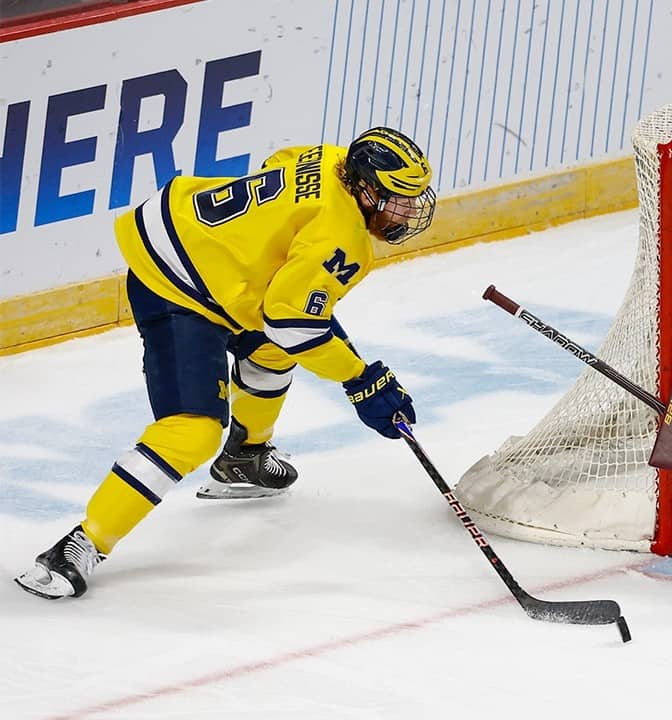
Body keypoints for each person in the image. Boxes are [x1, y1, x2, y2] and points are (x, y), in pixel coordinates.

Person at [14, 126, 436, 599]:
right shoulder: (344, 243)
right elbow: (292, 324)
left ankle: (245, 457)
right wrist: (361, 380)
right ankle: (78, 546)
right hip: (175, 286)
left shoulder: (330, 157)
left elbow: (278, 162)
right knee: (192, 431)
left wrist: (265, 268)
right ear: (365, 189)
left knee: (271, 351)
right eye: (400, 198)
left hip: (189, 236)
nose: (412, 210)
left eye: (415, 197)